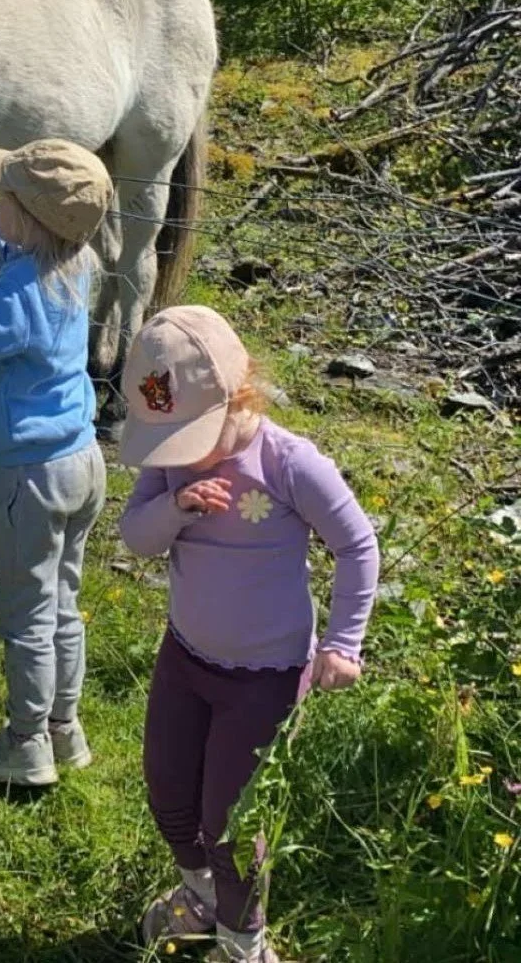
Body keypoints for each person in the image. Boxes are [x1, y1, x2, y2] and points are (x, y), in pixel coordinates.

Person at [118, 305, 379, 963]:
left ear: (240, 396)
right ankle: (201, 893)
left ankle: (243, 942)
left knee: (231, 823)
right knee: (169, 790)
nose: (181, 451)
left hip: (263, 679)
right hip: (185, 656)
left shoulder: (290, 463)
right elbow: (135, 537)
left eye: (192, 433)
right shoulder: (174, 463)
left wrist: (343, 643)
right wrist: (175, 505)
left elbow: (357, 544)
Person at [0, 138, 113, 787]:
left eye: (1, 194)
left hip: (29, 481)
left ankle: (25, 742)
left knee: (26, 614)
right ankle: (66, 727)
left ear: (28, 218)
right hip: (81, 462)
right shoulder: (74, 261)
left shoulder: (18, 295)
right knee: (63, 602)